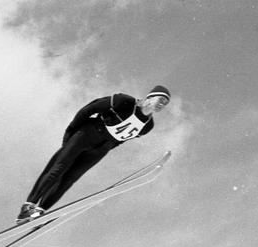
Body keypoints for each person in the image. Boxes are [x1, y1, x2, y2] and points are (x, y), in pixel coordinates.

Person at [16, 85, 171, 224]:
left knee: (70, 179)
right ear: (150, 96)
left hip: (101, 149)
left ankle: (39, 212)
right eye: (161, 99)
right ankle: (28, 207)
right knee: (58, 170)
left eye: (165, 104)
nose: (162, 105)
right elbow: (89, 109)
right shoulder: (124, 102)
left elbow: (122, 138)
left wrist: (107, 147)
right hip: (86, 135)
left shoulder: (148, 126)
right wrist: (70, 133)